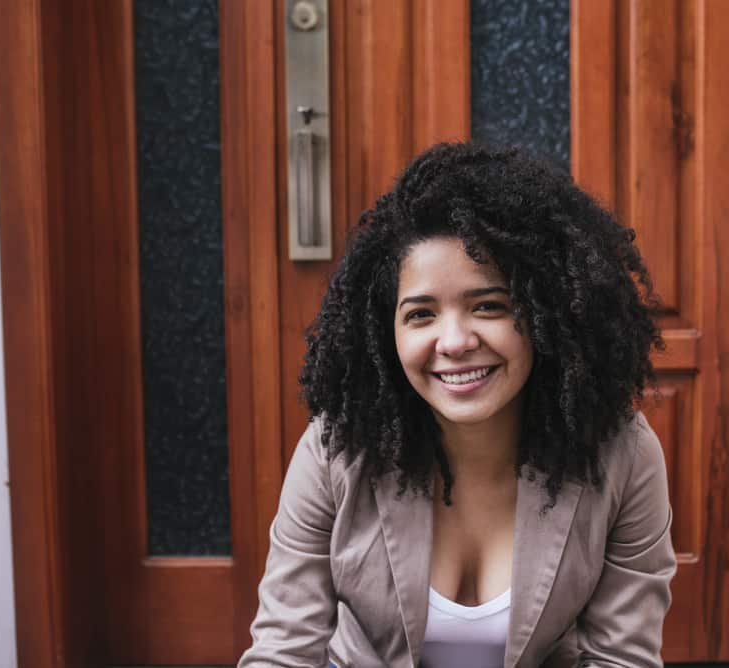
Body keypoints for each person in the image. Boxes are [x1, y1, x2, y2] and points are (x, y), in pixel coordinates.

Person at [238, 142, 676, 668]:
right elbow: (283, 652)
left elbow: (622, 659)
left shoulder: (619, 453)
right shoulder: (337, 449)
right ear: (387, 333)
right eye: (421, 314)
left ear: (545, 314)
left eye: (488, 306)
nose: (454, 341)